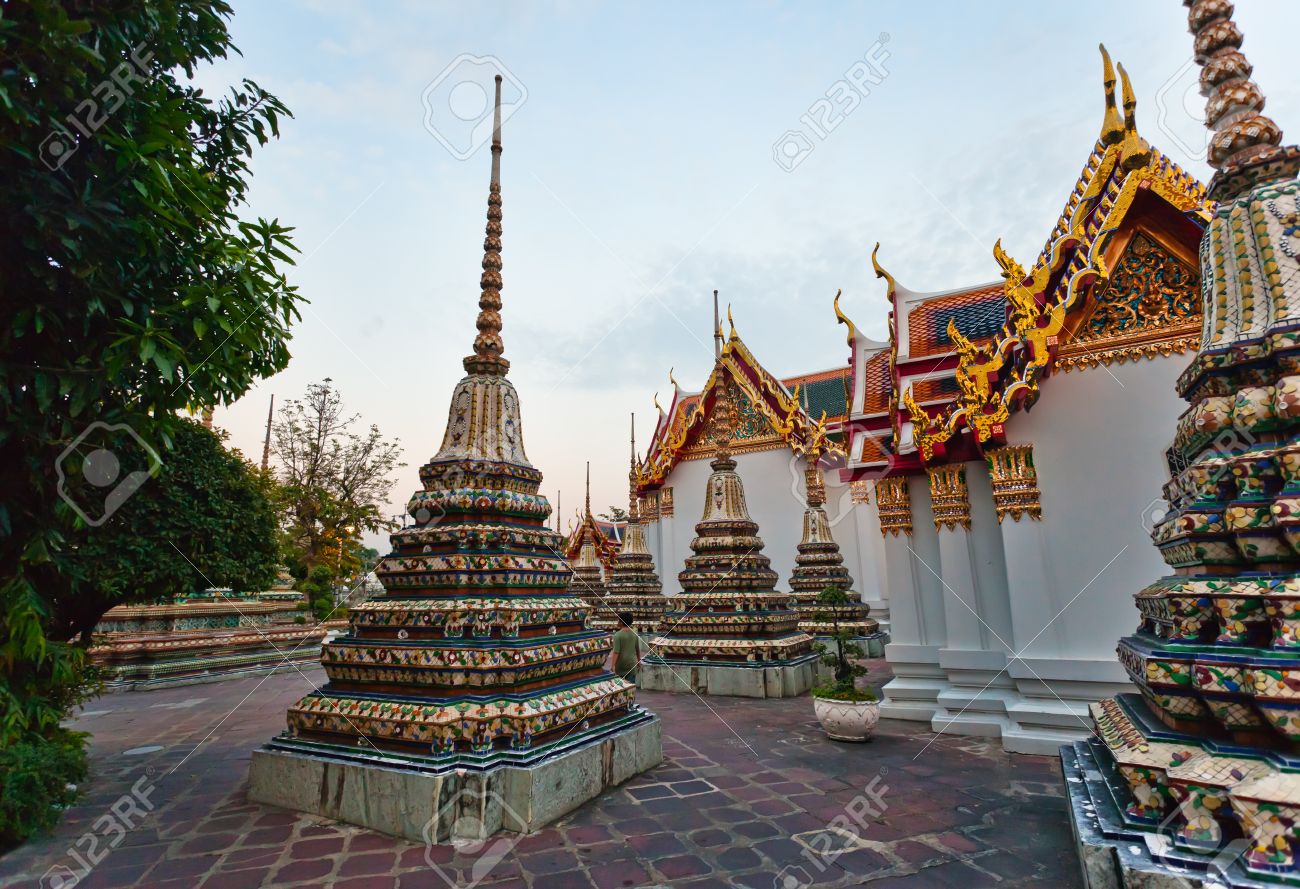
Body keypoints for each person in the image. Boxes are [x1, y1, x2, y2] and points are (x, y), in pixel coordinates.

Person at [607, 612, 641, 684]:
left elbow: (616, 652)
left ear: (621, 622)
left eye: (618, 620)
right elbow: (637, 649)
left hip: (620, 666)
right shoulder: (634, 633)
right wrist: (639, 661)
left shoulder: (617, 635)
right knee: (631, 687)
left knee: (621, 687)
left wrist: (612, 665)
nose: (617, 622)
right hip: (632, 664)